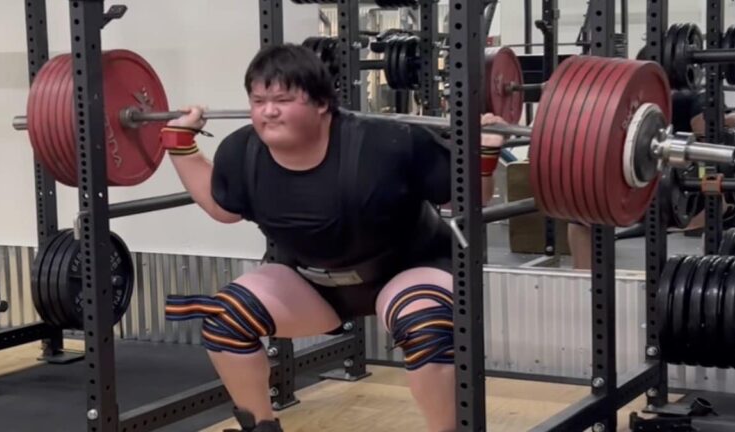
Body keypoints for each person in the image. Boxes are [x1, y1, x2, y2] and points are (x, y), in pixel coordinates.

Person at [160, 43, 506, 432]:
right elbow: (222, 209)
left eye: (283, 99)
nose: (268, 111)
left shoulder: (388, 144)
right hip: (314, 284)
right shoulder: (241, 152)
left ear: (322, 103)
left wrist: (483, 155)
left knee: (426, 326)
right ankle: (260, 426)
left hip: (408, 270)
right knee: (225, 319)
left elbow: (466, 197)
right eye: (258, 100)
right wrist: (181, 148)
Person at [566, 88, 735, 270]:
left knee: (721, 202)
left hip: (660, 179)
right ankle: (584, 280)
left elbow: (705, 137)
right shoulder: (689, 98)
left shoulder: (686, 99)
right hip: (640, 177)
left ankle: (584, 282)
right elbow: (705, 131)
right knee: (583, 214)